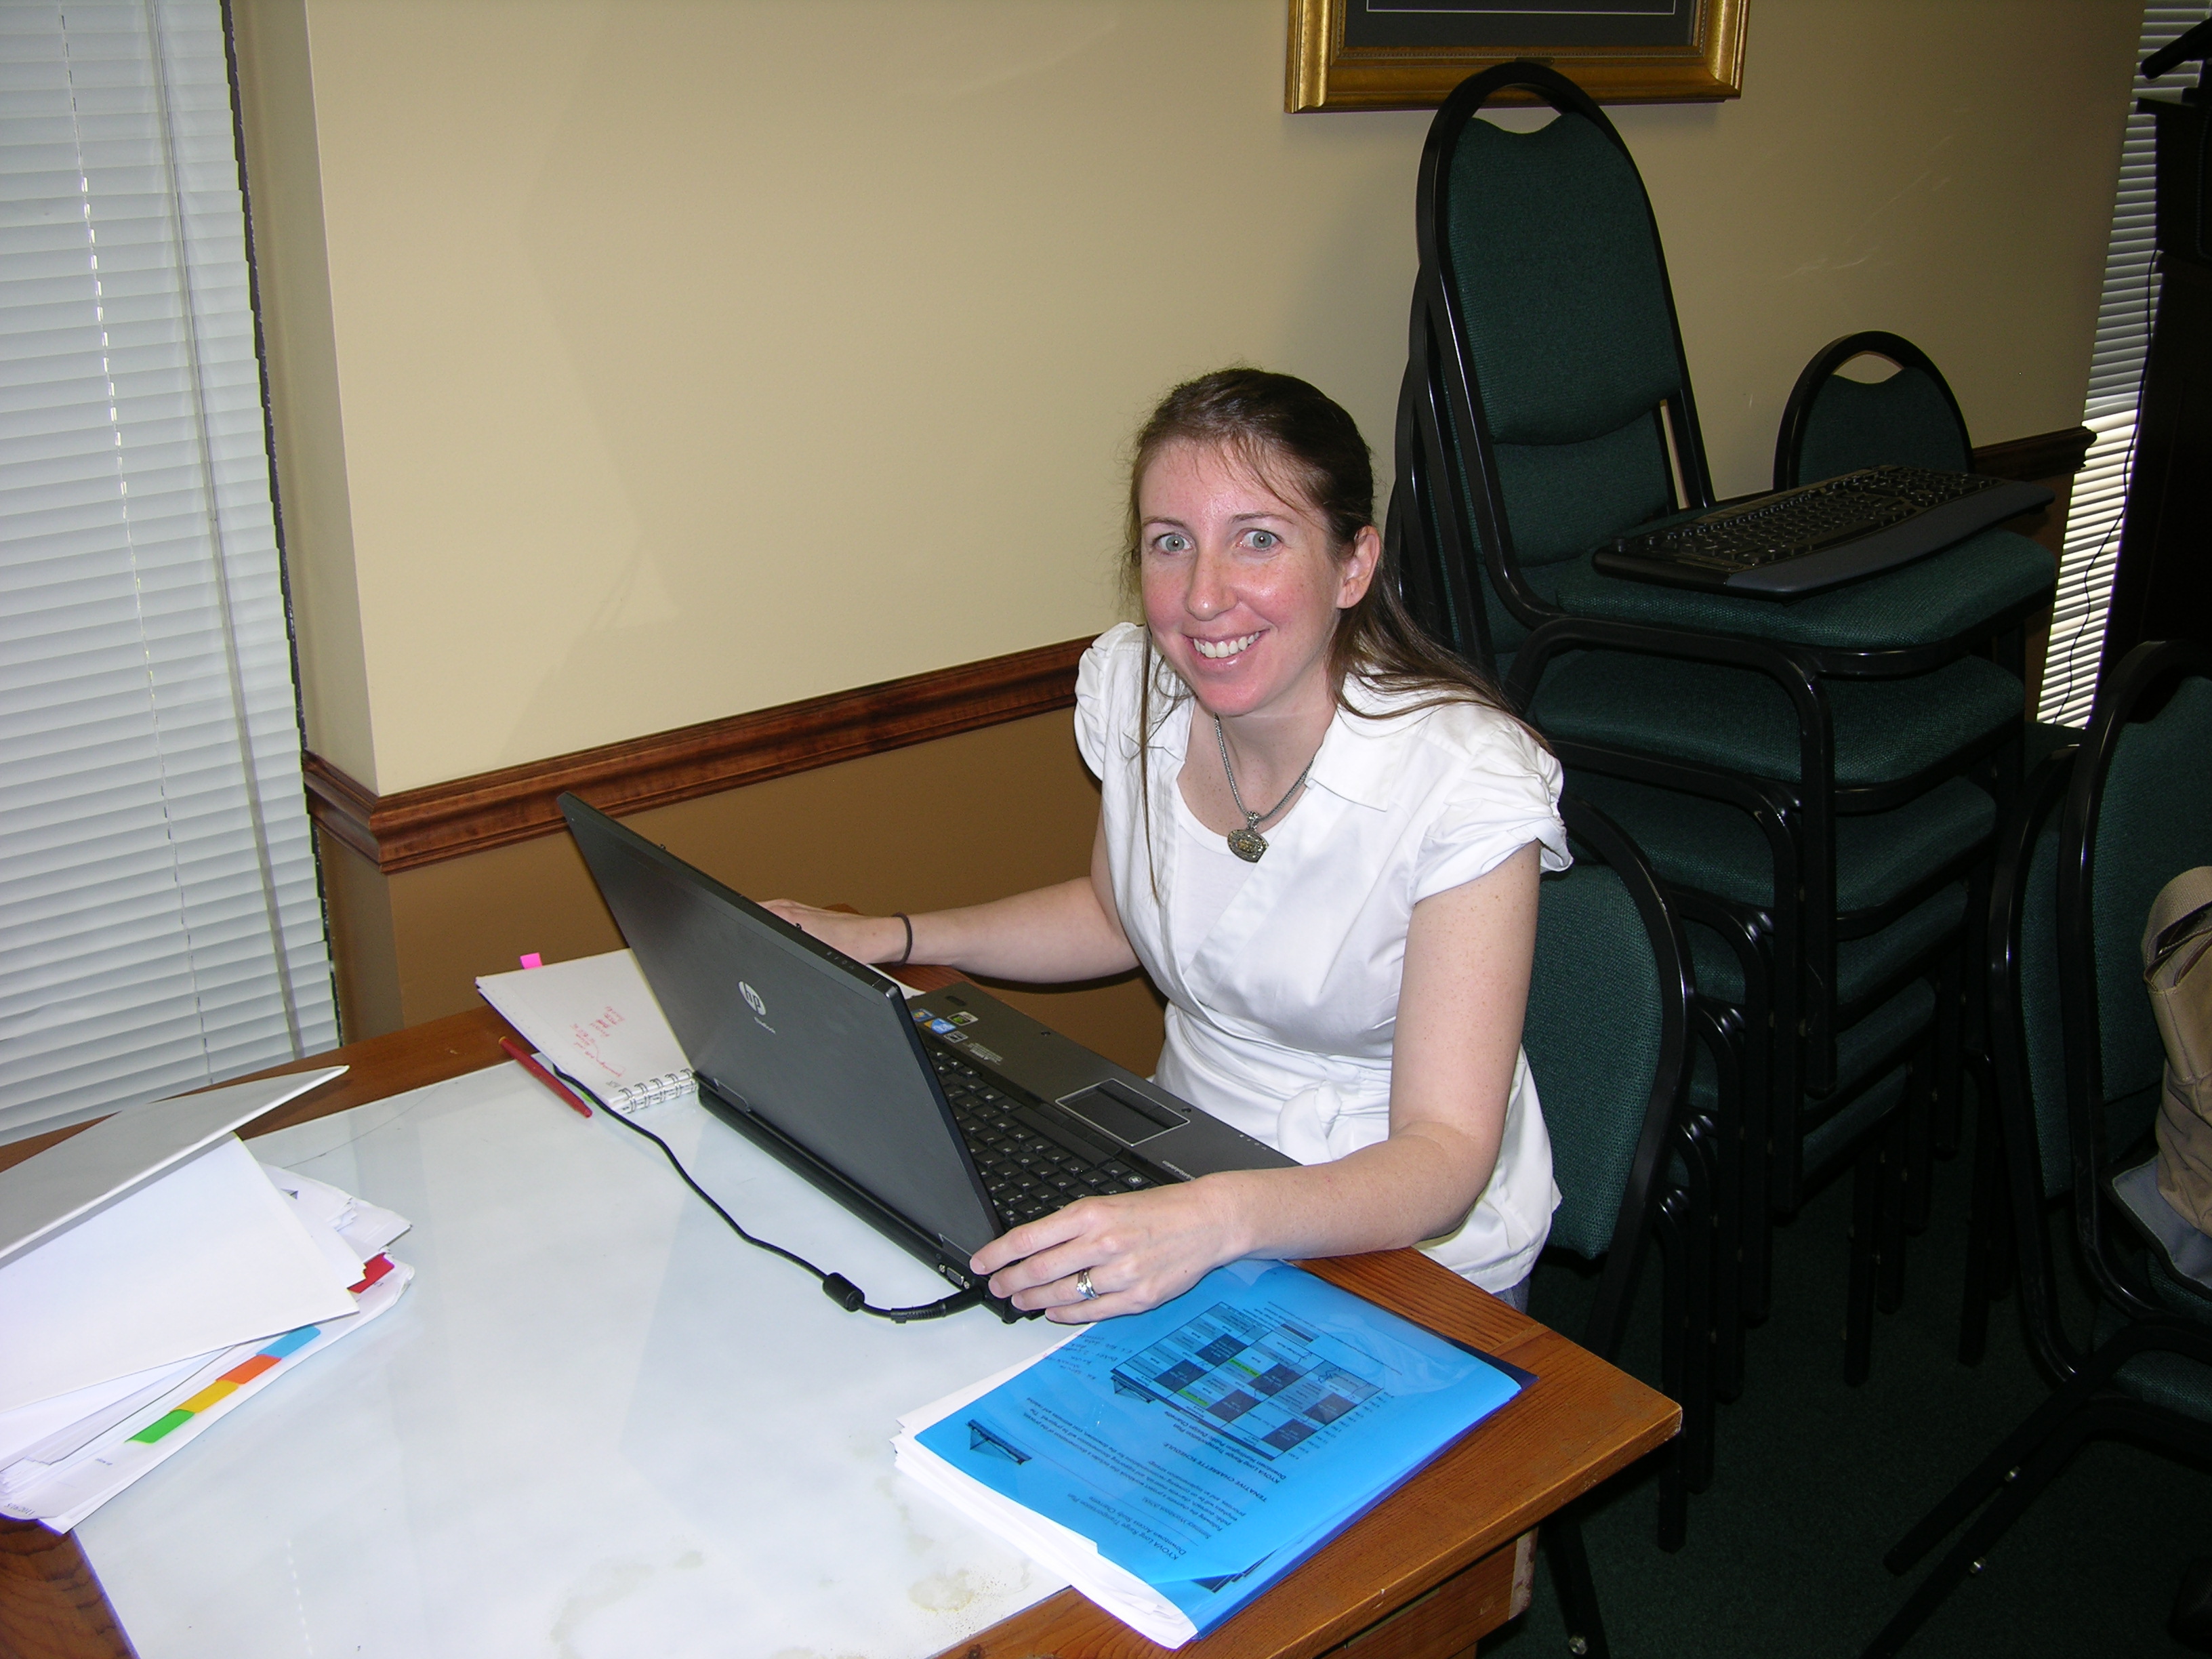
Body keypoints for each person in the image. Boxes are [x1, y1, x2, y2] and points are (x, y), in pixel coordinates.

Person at [768, 368, 1568, 1323]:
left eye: (1258, 539)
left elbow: (1444, 1155)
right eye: (1170, 543)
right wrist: (895, 935)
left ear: (1354, 565)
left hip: (1398, 1241)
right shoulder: (1141, 690)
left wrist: (1215, 1219)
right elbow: (1114, 915)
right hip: (1178, 1167)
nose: (1202, 596)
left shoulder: (1465, 781)